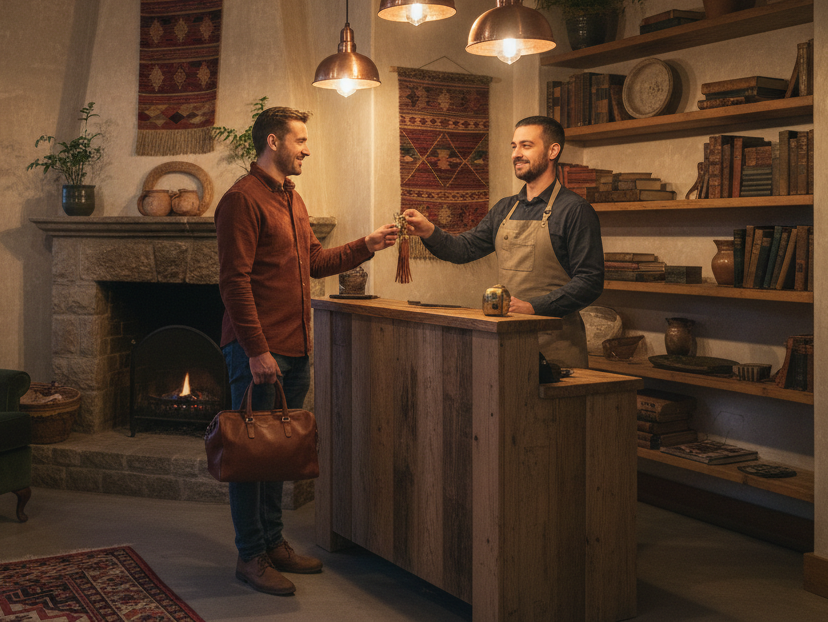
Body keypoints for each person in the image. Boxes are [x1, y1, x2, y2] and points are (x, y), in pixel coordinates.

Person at [215, 106, 399, 597]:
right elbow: (233, 283)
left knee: (276, 454)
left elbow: (315, 262)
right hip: (259, 353)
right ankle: (250, 556)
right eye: (300, 139)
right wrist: (256, 350)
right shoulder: (241, 199)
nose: (307, 148)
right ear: (273, 142)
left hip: (293, 349)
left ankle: (274, 544)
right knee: (250, 456)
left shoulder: (291, 199)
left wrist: (369, 243)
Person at [402, 115, 603, 373]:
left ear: (553, 151)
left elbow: (590, 281)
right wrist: (429, 231)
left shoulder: (575, 210)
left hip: (557, 352)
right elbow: (464, 249)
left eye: (526, 146)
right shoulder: (505, 208)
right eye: (513, 146)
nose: (516, 154)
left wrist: (534, 307)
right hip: (509, 344)